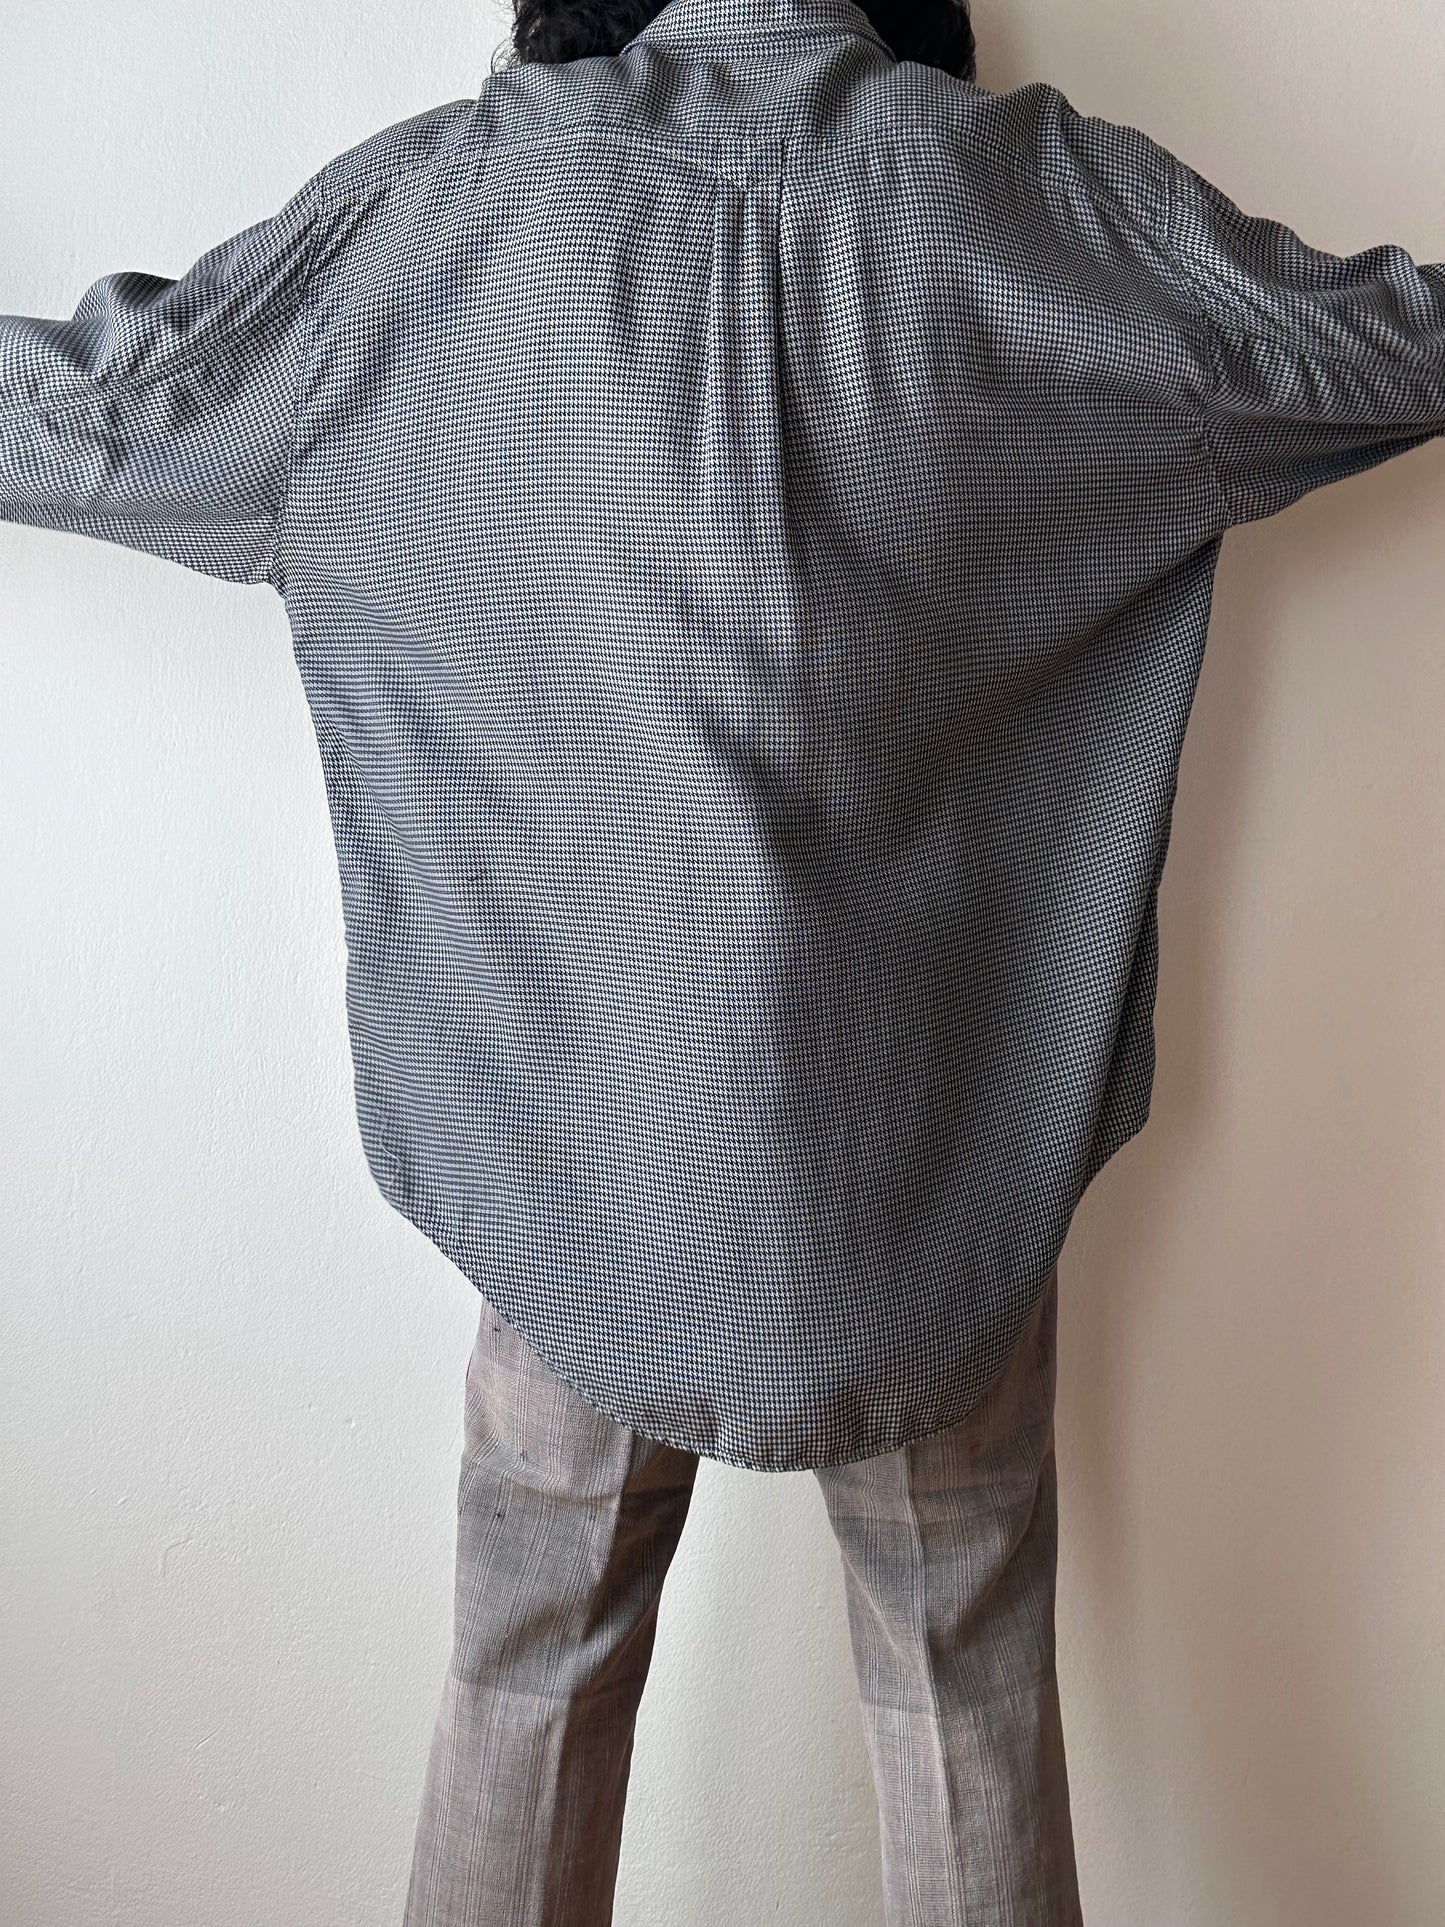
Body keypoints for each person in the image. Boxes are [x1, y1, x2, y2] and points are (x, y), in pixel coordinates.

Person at [4, 0, 1443, 1919]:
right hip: (927, 1194)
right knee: (966, 1686)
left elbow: (89, 416)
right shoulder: (1032, 205)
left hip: (572, 1183)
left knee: (524, 1677)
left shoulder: (442, 214)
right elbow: (1383, 345)